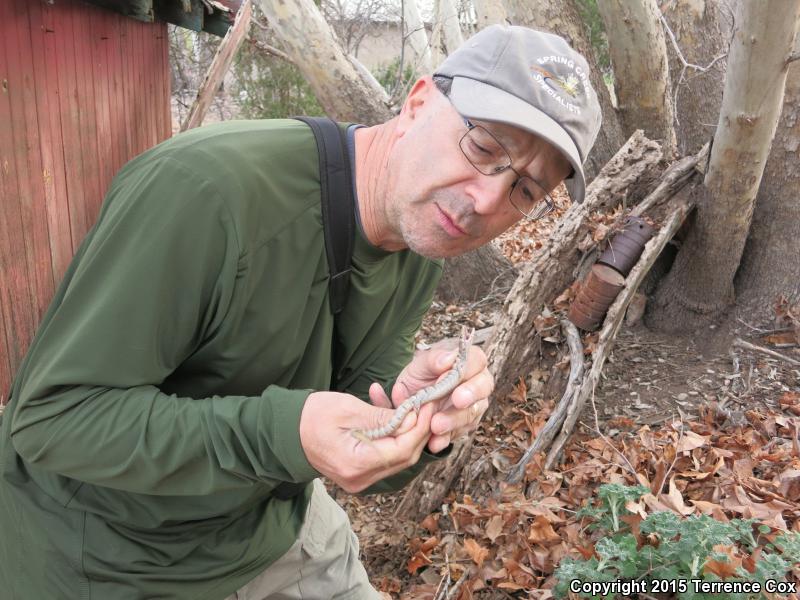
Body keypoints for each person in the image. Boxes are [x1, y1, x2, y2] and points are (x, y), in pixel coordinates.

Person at [0, 24, 601, 600]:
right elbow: (52, 419)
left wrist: (415, 414)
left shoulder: (420, 238)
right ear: (418, 101)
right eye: (484, 147)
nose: (484, 200)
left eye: (524, 190)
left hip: (269, 530)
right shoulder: (204, 193)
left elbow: (356, 412)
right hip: (106, 560)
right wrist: (283, 434)